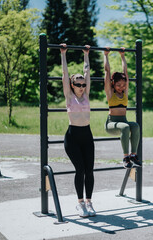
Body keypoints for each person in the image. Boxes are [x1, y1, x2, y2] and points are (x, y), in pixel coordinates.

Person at [60, 43, 96, 217]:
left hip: (87, 135)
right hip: (73, 136)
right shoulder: (69, 96)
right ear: (72, 85)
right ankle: (80, 203)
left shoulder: (87, 94)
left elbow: (87, 73)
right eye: (78, 84)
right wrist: (63, 54)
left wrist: (86, 55)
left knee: (89, 170)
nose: (82, 87)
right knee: (80, 170)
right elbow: (64, 74)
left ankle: (89, 202)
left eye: (83, 84)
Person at [103, 47, 141, 169]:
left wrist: (123, 56)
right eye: (118, 85)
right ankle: (125, 157)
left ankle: (133, 155)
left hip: (123, 121)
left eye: (123, 85)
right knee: (125, 127)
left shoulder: (124, 93)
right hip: (112, 123)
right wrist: (106, 55)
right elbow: (107, 72)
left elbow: (126, 73)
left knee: (135, 125)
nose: (122, 87)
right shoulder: (110, 93)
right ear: (113, 83)